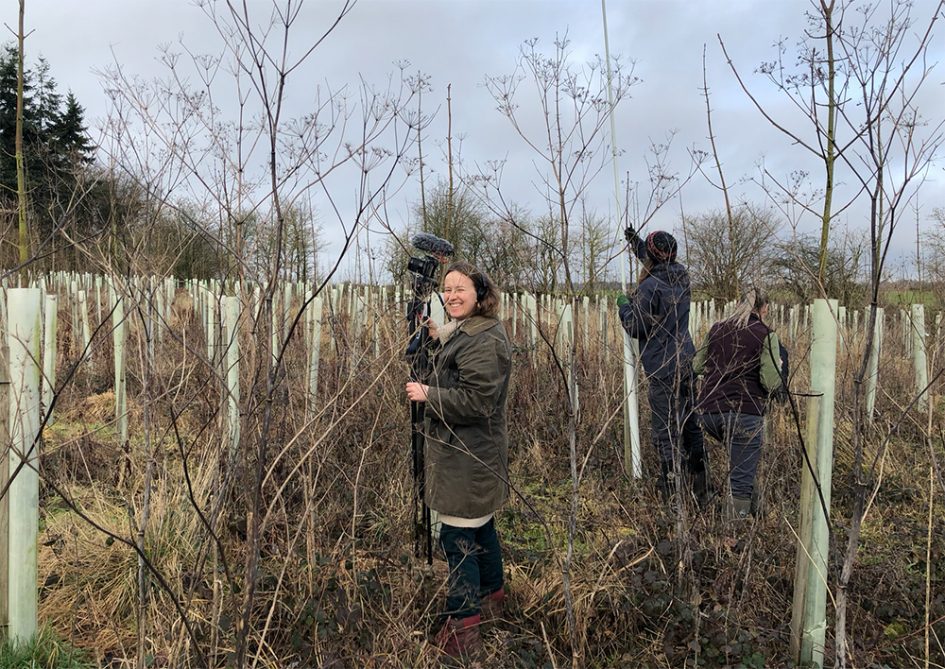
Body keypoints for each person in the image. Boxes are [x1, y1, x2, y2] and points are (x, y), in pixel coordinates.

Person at [404, 260, 512, 657]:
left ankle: (464, 634)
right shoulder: (476, 330)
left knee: (457, 539)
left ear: (480, 294)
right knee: (482, 530)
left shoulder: (484, 340)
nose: (451, 296)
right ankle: (492, 603)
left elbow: (478, 401)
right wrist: (438, 333)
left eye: (460, 289)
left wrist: (428, 394)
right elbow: (460, 348)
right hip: (472, 455)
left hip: (468, 458)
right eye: (446, 289)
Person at [617, 225, 709, 505]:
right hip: (685, 360)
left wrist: (624, 305)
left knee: (664, 427)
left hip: (662, 365)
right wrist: (637, 244)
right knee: (689, 421)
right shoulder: (681, 277)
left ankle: (671, 484)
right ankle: (700, 480)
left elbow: (636, 326)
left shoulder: (649, 287)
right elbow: (657, 260)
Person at [693, 286, 787, 519]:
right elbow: (770, 380)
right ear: (764, 308)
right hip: (745, 413)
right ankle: (734, 534)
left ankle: (758, 513)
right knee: (740, 483)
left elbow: (696, 366)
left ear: (738, 304)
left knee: (742, 462)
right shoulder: (766, 334)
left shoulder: (716, 329)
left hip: (708, 413)